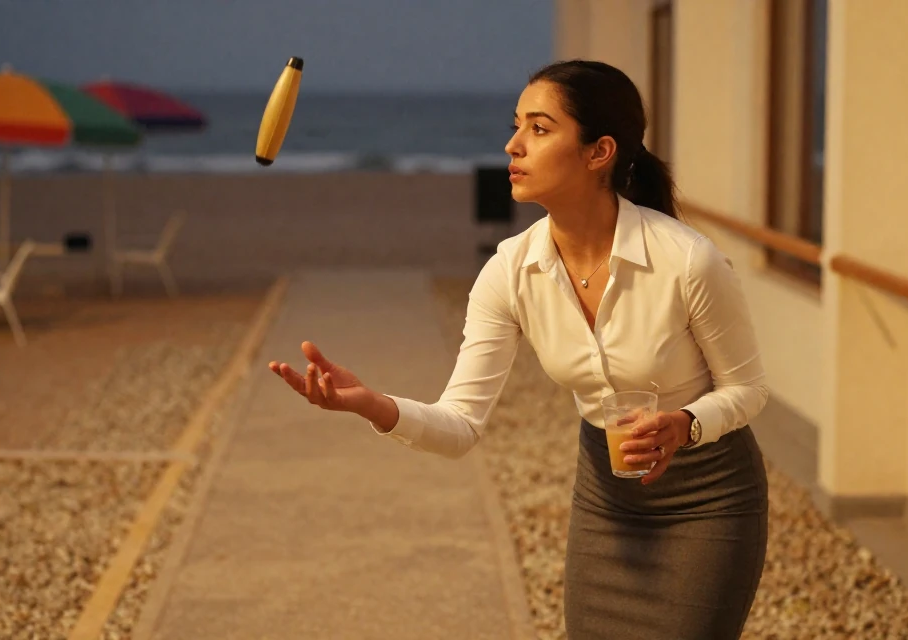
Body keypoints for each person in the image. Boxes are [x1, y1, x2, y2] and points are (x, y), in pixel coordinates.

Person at [269, 59, 769, 639]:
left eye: (539, 128)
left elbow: (748, 389)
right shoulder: (510, 271)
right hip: (606, 502)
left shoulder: (688, 262)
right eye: (516, 126)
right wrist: (370, 404)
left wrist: (684, 424)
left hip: (709, 500)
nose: (513, 145)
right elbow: (461, 424)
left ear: (599, 152)